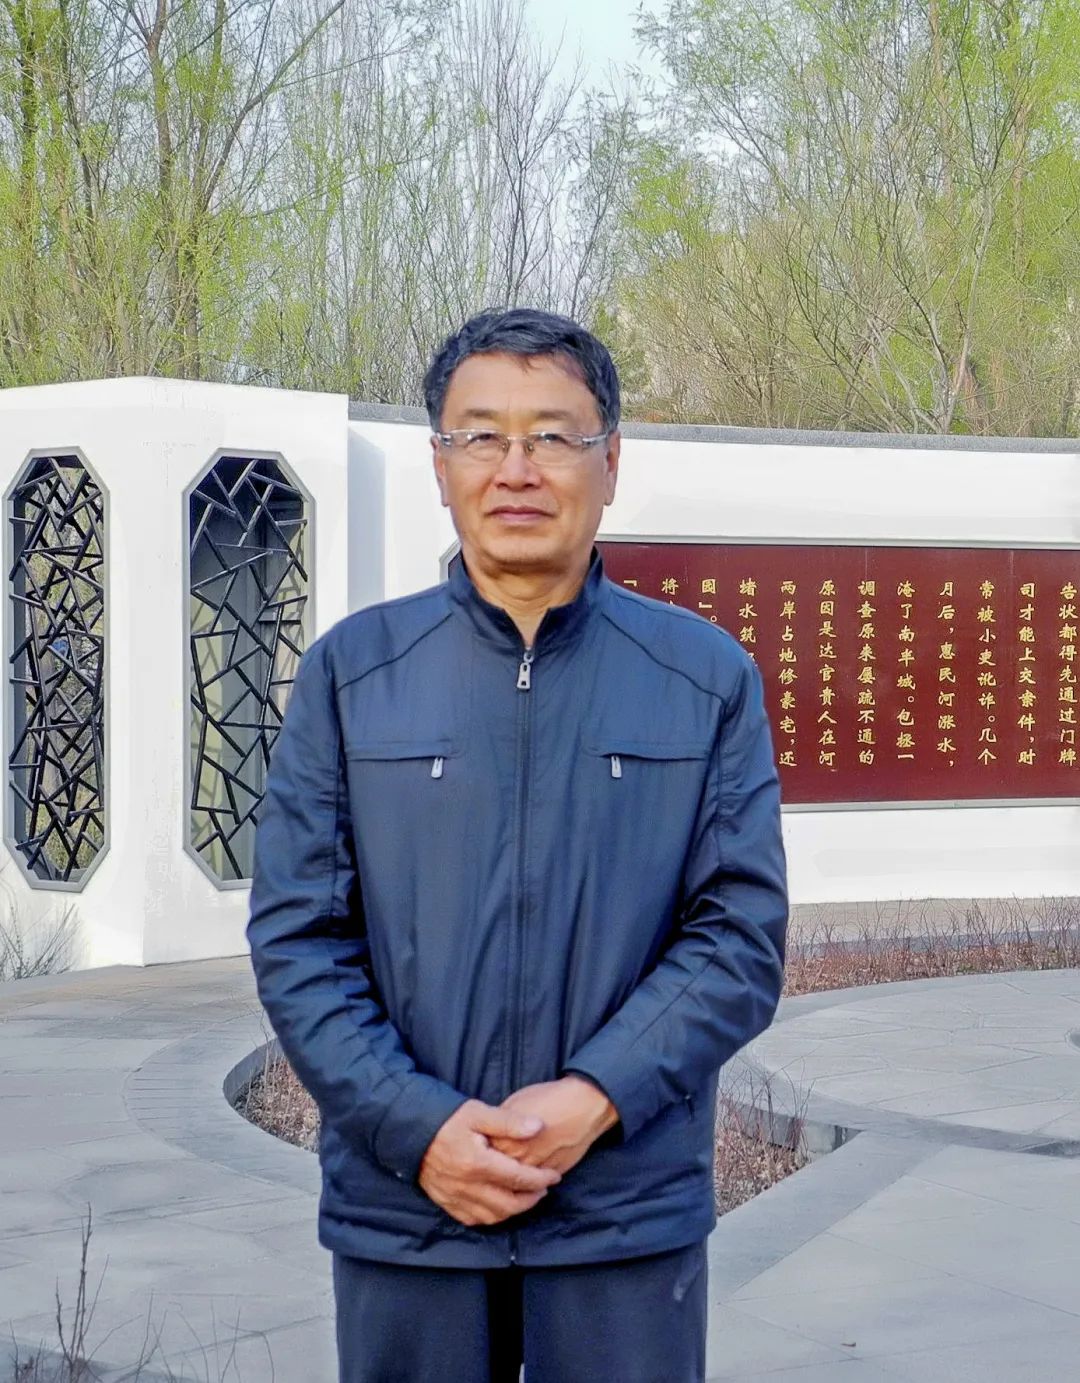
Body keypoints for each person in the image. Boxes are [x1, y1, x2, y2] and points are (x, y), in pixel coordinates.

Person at [246, 307, 788, 1383]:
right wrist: (422, 1127)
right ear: (439, 464)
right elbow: (301, 938)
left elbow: (738, 937)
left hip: (622, 1211)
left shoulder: (703, 677)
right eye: (482, 435)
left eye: (553, 436)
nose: (517, 468)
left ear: (611, 462)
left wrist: (594, 1098)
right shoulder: (354, 674)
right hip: (410, 1210)